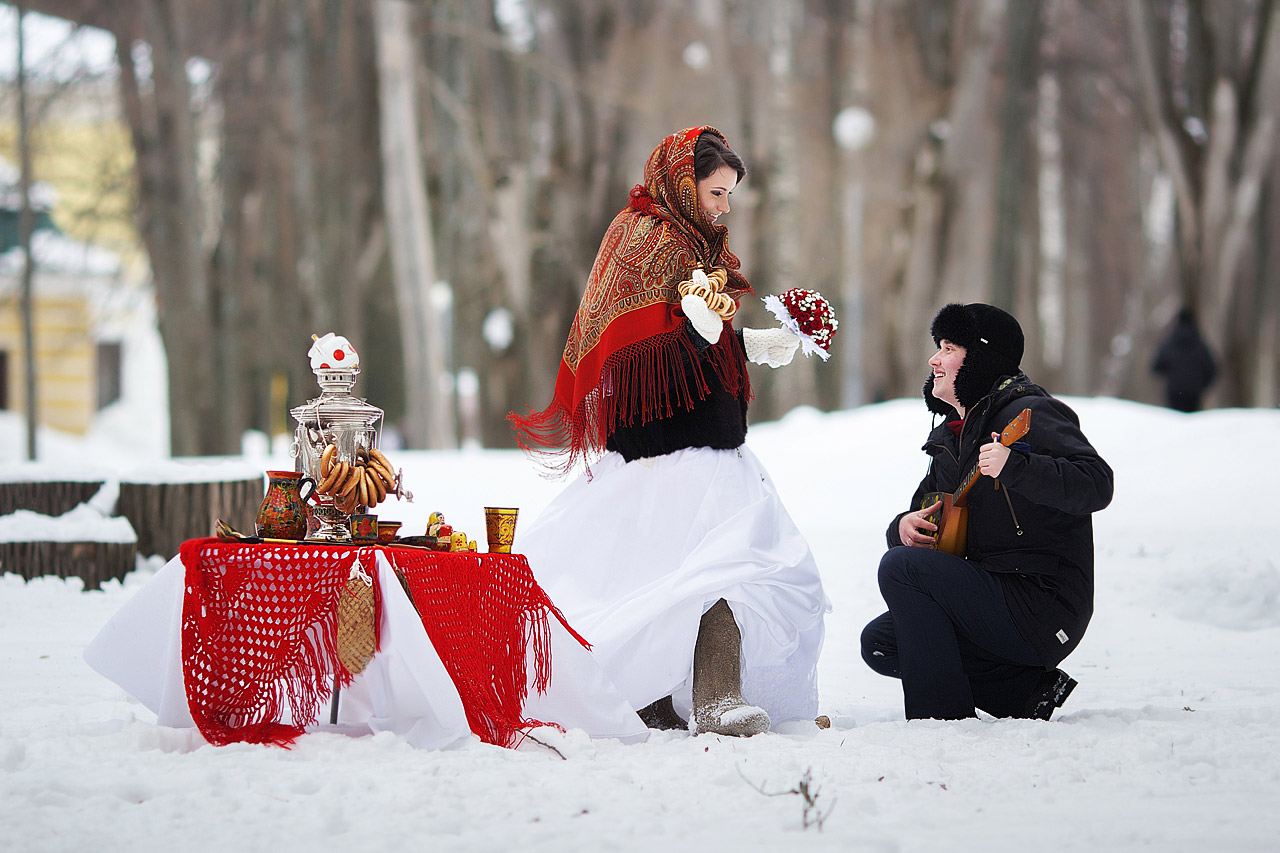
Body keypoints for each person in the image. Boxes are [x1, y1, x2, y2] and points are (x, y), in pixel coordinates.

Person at [510, 126, 829, 737]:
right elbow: (628, 336)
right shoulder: (642, 238)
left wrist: (758, 341)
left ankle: (708, 692)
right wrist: (696, 324)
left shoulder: (698, 247)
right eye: (716, 193)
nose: (724, 208)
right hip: (657, 444)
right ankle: (668, 696)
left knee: (721, 559)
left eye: (730, 195)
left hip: (711, 436)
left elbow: (702, 333)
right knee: (677, 565)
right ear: (684, 184)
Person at [861, 303, 1113, 721]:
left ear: (980, 356)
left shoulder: (1030, 413)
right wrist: (902, 527)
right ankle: (1025, 694)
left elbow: (1097, 484)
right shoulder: (951, 438)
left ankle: (939, 719)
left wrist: (1017, 466)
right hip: (990, 595)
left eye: (947, 347)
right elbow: (921, 518)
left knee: (901, 569)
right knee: (881, 642)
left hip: (1042, 602)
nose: (934, 360)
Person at [1152, 307, 1217, 412]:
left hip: (1174, 392)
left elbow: (1156, 367)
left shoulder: (1168, 344)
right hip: (1194, 393)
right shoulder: (1200, 345)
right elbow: (1212, 369)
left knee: (1174, 421)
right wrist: (1201, 385)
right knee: (1191, 422)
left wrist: (1170, 375)